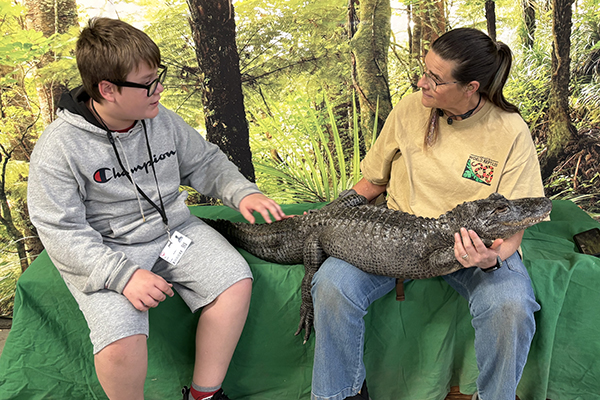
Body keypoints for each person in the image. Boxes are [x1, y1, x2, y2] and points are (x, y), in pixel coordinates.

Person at [27, 17, 285, 400]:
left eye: (157, 76)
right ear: (107, 89)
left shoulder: (161, 119)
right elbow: (59, 229)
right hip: (107, 250)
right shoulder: (60, 147)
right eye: (147, 83)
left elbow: (204, 162)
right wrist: (123, 276)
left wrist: (241, 192)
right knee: (120, 339)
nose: (159, 88)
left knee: (234, 281)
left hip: (174, 230)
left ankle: (204, 395)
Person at [310, 28, 545, 400]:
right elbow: (371, 183)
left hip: (476, 249)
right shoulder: (411, 108)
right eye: (425, 70)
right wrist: (317, 217)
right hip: (397, 238)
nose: (422, 82)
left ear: (471, 87)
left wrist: (492, 258)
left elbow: (515, 221)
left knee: (510, 305)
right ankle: (339, 395)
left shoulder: (510, 130)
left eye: (436, 78)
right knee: (332, 285)